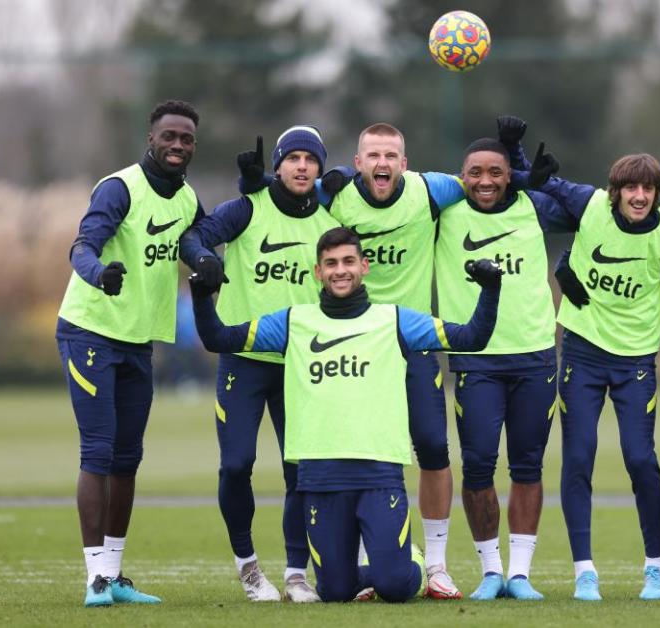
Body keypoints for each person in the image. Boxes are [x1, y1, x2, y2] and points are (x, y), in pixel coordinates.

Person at [190, 227, 503, 603]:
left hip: (379, 475)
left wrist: (490, 289)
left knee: (394, 586)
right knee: (336, 592)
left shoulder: (396, 320)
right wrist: (201, 295)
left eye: (349, 262)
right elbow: (219, 339)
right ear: (317, 272)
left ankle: (414, 561)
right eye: (332, 263)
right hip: (320, 479)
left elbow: (472, 337)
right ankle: (374, 564)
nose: (341, 270)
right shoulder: (293, 322)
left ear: (364, 267)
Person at [239, 124, 466, 598]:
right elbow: (288, 193)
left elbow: (488, 183)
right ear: (357, 163)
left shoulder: (430, 190)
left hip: (410, 338)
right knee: (354, 451)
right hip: (351, 340)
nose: (382, 163)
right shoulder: (334, 194)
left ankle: (437, 563)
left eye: (391, 155)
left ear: (405, 164)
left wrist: (524, 172)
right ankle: (370, 557)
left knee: (432, 447)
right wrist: (253, 184)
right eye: (371, 155)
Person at [180, 127, 339, 602]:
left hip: (302, 365)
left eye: (311, 159)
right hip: (244, 360)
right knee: (236, 465)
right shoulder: (248, 208)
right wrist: (206, 258)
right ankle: (249, 568)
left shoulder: (329, 218)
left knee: (301, 470)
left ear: (320, 168)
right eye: (293, 158)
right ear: (279, 164)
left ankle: (295, 573)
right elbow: (194, 236)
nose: (302, 166)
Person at [55, 100, 204, 607]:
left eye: (186, 138)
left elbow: (196, 238)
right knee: (98, 452)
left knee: (127, 458)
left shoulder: (185, 197)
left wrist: (204, 259)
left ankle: (114, 575)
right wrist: (100, 274)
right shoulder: (120, 188)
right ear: (151, 138)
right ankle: (94, 577)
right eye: (170, 136)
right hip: (90, 331)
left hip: (138, 339)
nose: (178, 145)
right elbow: (82, 247)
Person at [432, 127, 577, 601]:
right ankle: (491, 571)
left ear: (510, 176)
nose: (486, 181)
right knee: (476, 467)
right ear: (462, 178)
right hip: (475, 359)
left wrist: (541, 178)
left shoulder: (533, 206)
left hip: (534, 354)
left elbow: (589, 211)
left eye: (496, 172)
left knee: (528, 467)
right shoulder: (444, 213)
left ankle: (520, 573)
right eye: (475, 173)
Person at [538, 154, 660, 601]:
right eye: (630, 189)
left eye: (648, 189)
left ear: (658, 192)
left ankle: (655, 570)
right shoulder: (590, 207)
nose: (639, 197)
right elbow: (544, 182)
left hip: (636, 360)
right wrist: (565, 264)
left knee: (640, 458)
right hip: (582, 352)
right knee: (579, 457)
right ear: (614, 191)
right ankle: (585, 572)